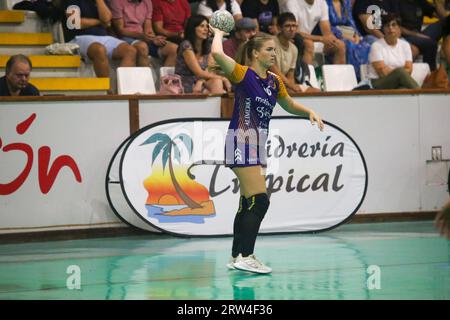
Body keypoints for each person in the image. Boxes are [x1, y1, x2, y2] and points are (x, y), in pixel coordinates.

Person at [210, 25, 324, 274]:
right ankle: (247, 256)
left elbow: (289, 104)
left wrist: (309, 113)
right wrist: (218, 33)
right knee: (260, 200)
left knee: (247, 201)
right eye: (269, 50)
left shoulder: (274, 81)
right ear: (255, 54)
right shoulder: (243, 75)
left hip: (257, 143)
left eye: (275, 49)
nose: (274, 53)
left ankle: (237, 254)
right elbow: (217, 55)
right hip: (241, 139)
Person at [63, 0, 137, 78]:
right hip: (79, 37)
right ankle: (106, 89)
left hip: (103, 36)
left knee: (130, 51)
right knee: (99, 50)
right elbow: (75, 23)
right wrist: (99, 22)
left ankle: (120, 88)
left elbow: (106, 19)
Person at [109, 0, 178, 67]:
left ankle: (167, 78)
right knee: (142, 47)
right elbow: (120, 30)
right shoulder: (116, 1)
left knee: (174, 49)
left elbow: (148, 27)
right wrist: (141, 36)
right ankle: (144, 78)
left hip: (142, 37)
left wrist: (154, 38)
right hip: (124, 37)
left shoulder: (147, 2)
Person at [175, 15, 232, 93]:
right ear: (193, 28)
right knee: (218, 89)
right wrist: (223, 78)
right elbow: (198, 72)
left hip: (200, 82)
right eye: (202, 26)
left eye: (207, 27)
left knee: (217, 83)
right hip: (185, 83)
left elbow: (211, 70)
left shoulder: (208, 46)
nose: (206, 29)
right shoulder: (186, 45)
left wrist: (201, 81)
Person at [281, 0, 346, 65]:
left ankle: (338, 75)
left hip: (309, 38)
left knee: (340, 45)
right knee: (309, 44)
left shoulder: (322, 2)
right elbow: (294, 31)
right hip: (291, 38)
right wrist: (321, 38)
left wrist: (332, 39)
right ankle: (306, 74)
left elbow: (326, 31)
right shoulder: (292, 3)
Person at [390, 0, 446, 72]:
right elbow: (396, 27)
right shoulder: (397, 3)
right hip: (404, 36)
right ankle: (431, 73)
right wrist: (417, 35)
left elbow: (442, 17)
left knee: (446, 23)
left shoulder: (420, 2)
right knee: (431, 44)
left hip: (419, 35)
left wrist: (438, 3)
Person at [271, 12, 321, 93]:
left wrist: (293, 87)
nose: (292, 29)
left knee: (317, 92)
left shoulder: (294, 49)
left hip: (285, 85)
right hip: (270, 84)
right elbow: (273, 71)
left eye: (294, 26)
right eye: (287, 26)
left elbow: (290, 75)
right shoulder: (270, 44)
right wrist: (291, 87)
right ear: (279, 28)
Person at [367, 13, 419, 89]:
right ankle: (421, 93)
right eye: (387, 25)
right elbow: (382, 73)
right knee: (401, 72)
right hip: (378, 82)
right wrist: (398, 73)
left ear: (399, 28)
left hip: (397, 81)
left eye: (394, 25)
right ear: (383, 29)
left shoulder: (405, 45)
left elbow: (409, 70)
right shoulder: (376, 45)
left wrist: (397, 74)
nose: (390, 28)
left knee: (403, 89)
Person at [327, 0, 371, 80]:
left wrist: (356, 35)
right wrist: (341, 35)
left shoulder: (345, 2)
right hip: (332, 35)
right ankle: (352, 79)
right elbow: (326, 26)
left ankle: (365, 79)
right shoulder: (324, 3)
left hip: (349, 33)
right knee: (349, 44)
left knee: (367, 44)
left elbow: (351, 22)